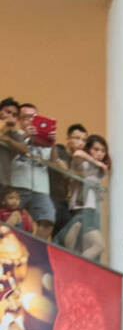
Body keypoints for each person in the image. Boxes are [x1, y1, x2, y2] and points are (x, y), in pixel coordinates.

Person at [59, 134, 110, 261]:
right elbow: (77, 153)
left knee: (83, 247)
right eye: (96, 149)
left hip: (91, 211)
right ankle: (75, 265)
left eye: (103, 151)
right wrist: (96, 162)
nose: (100, 153)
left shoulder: (98, 170)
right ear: (89, 149)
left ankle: (73, 265)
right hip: (82, 208)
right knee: (98, 246)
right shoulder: (83, 163)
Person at [9, 103, 56, 241]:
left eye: (34, 117)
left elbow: (53, 161)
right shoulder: (13, 134)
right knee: (10, 219)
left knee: (48, 219)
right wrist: (25, 136)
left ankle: (32, 249)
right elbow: (6, 155)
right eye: (26, 117)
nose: (30, 120)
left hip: (40, 188)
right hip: (18, 185)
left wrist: (52, 143)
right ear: (19, 120)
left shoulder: (44, 139)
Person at [49, 123, 87, 239]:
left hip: (65, 203)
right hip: (52, 198)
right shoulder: (59, 151)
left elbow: (82, 176)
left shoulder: (78, 160)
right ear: (68, 139)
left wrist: (68, 170)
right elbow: (56, 164)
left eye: (84, 140)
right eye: (77, 138)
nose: (81, 142)